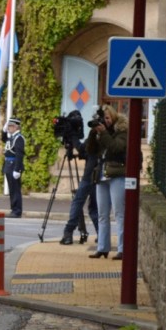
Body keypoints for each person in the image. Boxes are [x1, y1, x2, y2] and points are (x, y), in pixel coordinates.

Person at [91, 104, 129, 260]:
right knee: (102, 214)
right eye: (102, 119)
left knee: (119, 214)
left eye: (107, 118)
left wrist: (104, 133)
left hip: (118, 175)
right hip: (102, 175)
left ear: (113, 117)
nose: (105, 121)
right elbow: (90, 151)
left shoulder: (122, 131)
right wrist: (93, 134)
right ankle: (102, 247)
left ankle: (122, 249)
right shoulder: (102, 132)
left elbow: (116, 148)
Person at [61, 112, 99, 245]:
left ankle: (68, 233)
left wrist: (73, 136)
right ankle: (102, 234)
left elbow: (83, 149)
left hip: (91, 175)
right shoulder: (98, 134)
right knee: (94, 208)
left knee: (78, 202)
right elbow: (86, 151)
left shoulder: (98, 135)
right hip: (97, 175)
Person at [1, 117, 25, 218]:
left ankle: (17, 211)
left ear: (15, 127)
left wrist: (17, 169)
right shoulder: (12, 137)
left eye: (10, 126)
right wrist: (3, 130)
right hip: (8, 165)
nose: (8, 128)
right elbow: (4, 139)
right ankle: (13, 209)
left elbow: (19, 155)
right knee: (12, 190)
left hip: (13, 165)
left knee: (15, 190)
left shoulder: (18, 138)